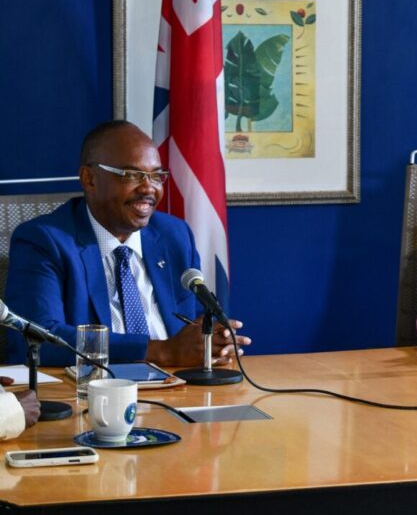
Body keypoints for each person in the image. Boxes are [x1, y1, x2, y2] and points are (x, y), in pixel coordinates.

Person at [4, 120, 251, 367]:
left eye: (156, 176)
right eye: (131, 175)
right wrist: (160, 351)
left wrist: (212, 340)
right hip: (93, 384)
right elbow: (36, 337)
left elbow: (195, 319)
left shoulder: (174, 235)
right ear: (89, 179)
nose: (148, 188)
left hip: (178, 380)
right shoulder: (45, 240)